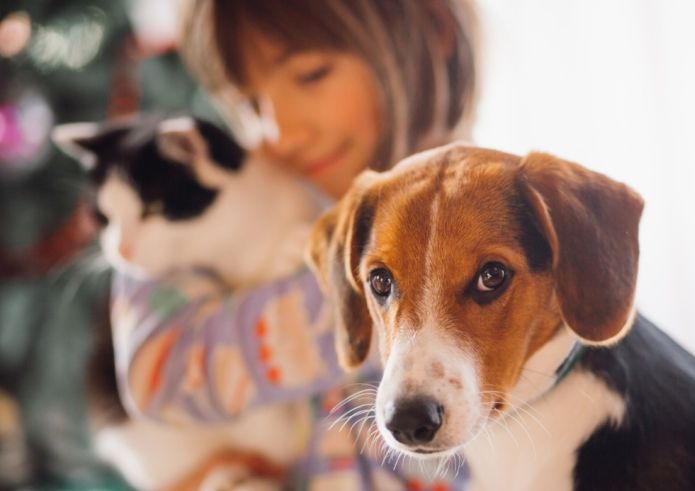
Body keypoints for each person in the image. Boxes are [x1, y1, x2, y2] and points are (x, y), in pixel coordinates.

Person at [111, 0, 479, 488]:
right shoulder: (213, 202)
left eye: (311, 75)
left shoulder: (508, 226)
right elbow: (156, 373)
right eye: (249, 103)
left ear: (434, 31)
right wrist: (386, 307)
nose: (281, 132)